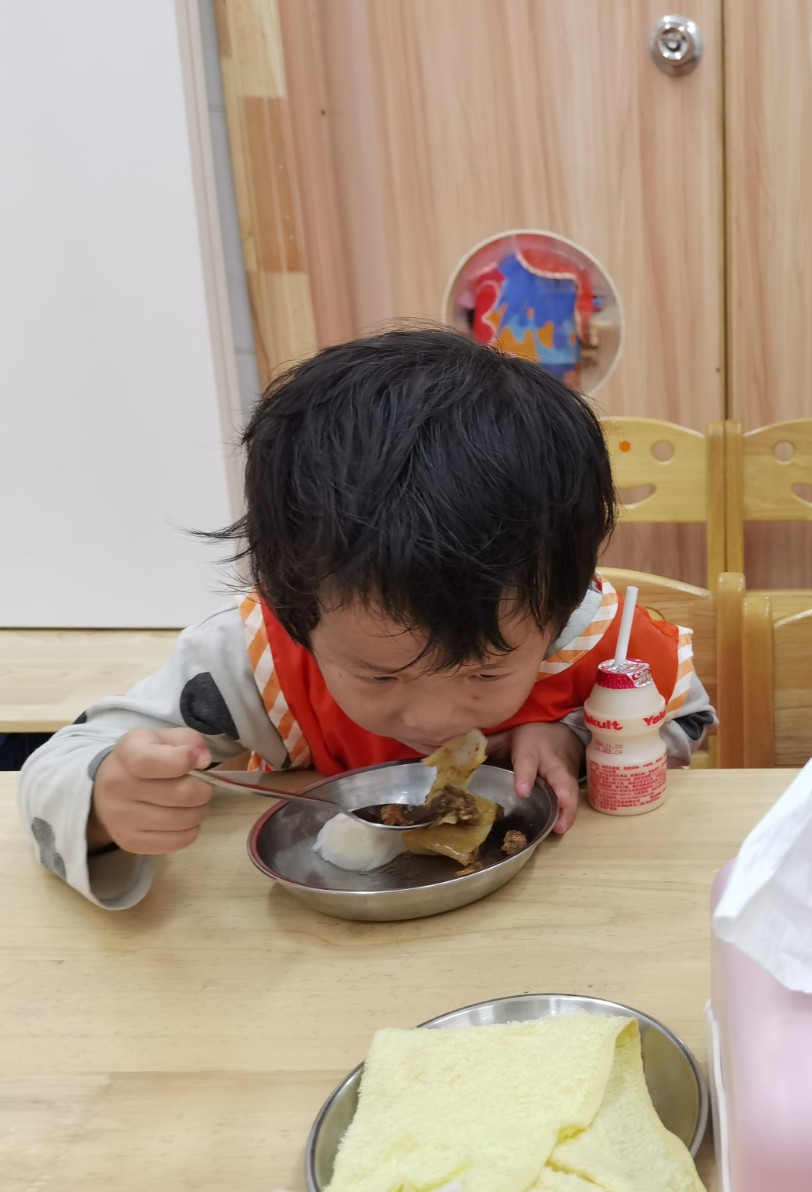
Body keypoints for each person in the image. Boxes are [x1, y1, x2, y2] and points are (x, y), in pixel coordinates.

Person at [18, 328, 714, 907]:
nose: (435, 719)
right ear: (294, 604)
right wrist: (106, 804)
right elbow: (61, 761)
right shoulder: (255, 661)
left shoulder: (602, 643)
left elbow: (686, 723)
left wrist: (578, 739)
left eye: (486, 671)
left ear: (557, 611)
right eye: (381, 676)